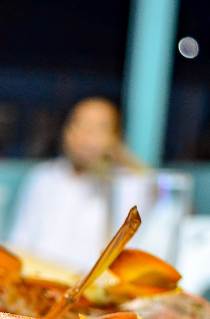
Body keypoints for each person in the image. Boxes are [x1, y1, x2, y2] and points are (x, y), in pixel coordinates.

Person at [9, 98, 141, 272]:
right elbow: (20, 241)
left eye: (99, 128)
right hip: (37, 281)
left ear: (115, 138)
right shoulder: (42, 177)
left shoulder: (126, 185)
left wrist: (115, 160)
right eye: (79, 125)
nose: (86, 135)